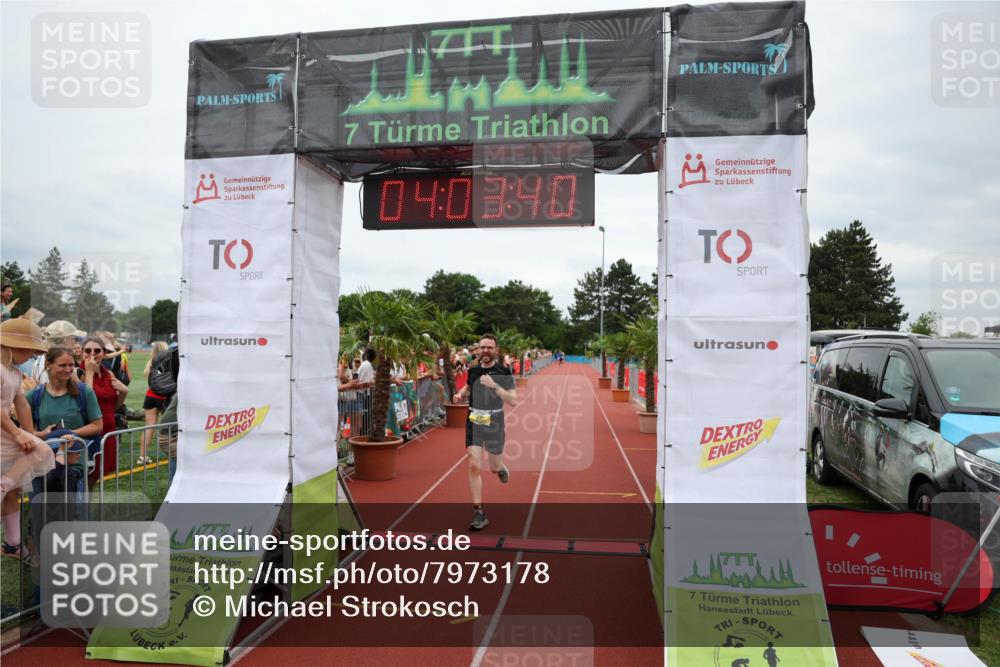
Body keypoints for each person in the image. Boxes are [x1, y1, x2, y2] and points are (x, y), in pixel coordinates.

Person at [1, 319, 56, 562]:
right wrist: (18, 433)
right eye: (29, 349)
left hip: (6, 431)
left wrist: (29, 432)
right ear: (10, 344)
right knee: (40, 453)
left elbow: (20, 402)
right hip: (6, 431)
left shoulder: (14, 372)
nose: (32, 354)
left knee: (14, 488)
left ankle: (12, 544)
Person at [452, 334, 517, 531]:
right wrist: (460, 394)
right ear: (478, 350)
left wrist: (494, 385)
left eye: (490, 347)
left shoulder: (503, 371)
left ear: (495, 350)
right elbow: (468, 386)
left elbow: (513, 400)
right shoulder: (473, 368)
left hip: (495, 420)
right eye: (483, 347)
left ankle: (500, 468)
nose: (486, 351)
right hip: (474, 419)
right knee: (473, 464)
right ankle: (479, 512)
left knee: (494, 468)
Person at [78, 337, 127, 484]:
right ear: (82, 353)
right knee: (82, 479)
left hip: (108, 434)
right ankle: (80, 507)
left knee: (94, 478)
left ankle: (86, 507)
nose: (92, 354)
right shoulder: (77, 373)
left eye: (97, 350)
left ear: (104, 353)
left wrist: (124, 393)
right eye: (88, 350)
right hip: (90, 434)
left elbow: (113, 407)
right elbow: (86, 403)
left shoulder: (109, 374)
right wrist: (90, 373)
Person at [139, 341, 170, 466]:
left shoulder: (150, 362)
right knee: (169, 426)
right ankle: (172, 453)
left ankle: (142, 456)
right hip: (164, 397)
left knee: (149, 427)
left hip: (150, 396)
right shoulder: (168, 362)